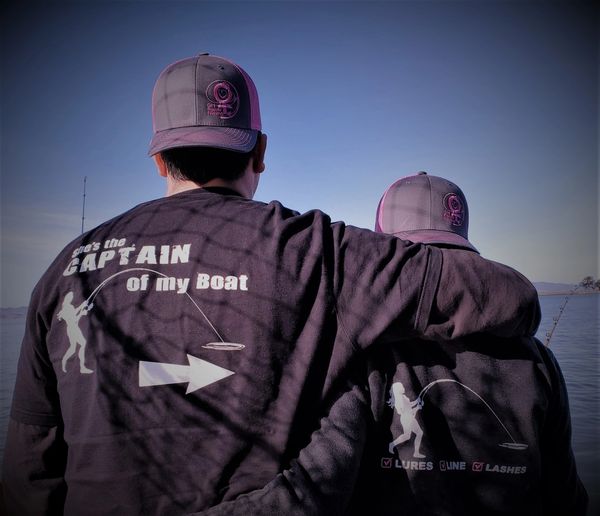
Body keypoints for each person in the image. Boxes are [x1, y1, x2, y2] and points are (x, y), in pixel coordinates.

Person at [2, 55, 540, 516]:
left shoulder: (68, 266)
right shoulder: (316, 250)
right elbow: (506, 294)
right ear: (259, 152)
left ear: (160, 158)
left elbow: (32, 462)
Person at [198, 173, 587, 516]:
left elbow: (318, 489)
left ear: (392, 256)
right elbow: (565, 497)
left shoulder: (367, 357)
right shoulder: (538, 361)